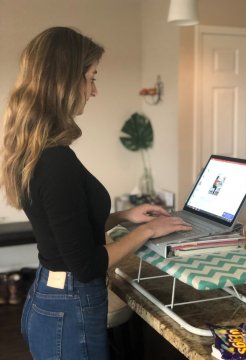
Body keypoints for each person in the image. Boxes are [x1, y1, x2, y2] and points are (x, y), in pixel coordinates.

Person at [0, 27, 191, 360]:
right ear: (63, 81)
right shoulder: (54, 160)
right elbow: (86, 264)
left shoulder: (40, 152)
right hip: (69, 307)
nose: (94, 91)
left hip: (52, 298)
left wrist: (124, 217)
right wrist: (148, 231)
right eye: (91, 78)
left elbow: (68, 227)